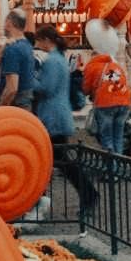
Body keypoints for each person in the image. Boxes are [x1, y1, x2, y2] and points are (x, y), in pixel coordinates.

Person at [34, 25, 97, 213]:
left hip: (53, 116)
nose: (37, 45)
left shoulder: (52, 61)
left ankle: (88, 194)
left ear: (46, 40)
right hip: (58, 114)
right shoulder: (59, 58)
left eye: (38, 41)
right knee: (62, 161)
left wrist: (31, 81)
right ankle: (88, 194)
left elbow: (47, 87)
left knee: (63, 162)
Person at [82, 51, 131, 156]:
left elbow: (86, 89)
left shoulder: (91, 66)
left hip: (105, 104)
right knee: (118, 136)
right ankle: (119, 164)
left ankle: (111, 167)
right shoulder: (115, 65)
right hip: (124, 103)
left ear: (92, 57)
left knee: (107, 137)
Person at [0, 10, 36, 111]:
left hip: (15, 105)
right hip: (26, 103)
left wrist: (0, 109)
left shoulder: (12, 49)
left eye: (5, 22)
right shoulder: (28, 46)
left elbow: (12, 88)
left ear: (9, 23)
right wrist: (0, 53)